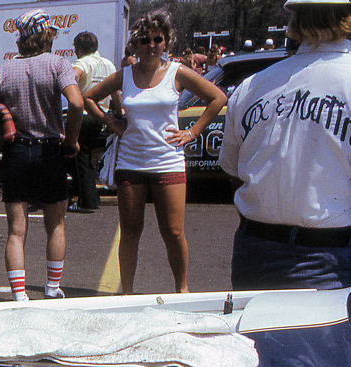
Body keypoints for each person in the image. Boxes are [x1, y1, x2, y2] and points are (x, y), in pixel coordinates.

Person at [84, 9, 226, 295]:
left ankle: (181, 289)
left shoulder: (177, 72)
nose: (151, 45)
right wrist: (111, 121)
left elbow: (218, 97)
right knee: (131, 230)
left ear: (166, 42)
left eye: (157, 39)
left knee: (173, 232)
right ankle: (127, 293)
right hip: (131, 161)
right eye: (144, 40)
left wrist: (192, 132)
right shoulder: (124, 76)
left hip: (168, 160)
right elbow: (87, 97)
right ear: (135, 45)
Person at [219, 0, 351, 290]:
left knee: (255, 335)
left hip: (254, 251)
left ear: (294, 19)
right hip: (330, 254)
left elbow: (232, 169)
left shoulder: (252, 85)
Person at [0, 9, 83, 300]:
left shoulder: (3, 70)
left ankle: (19, 295)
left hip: (16, 153)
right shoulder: (58, 64)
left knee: (16, 230)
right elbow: (77, 104)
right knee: (55, 223)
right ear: (44, 34)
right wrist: (73, 140)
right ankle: (52, 288)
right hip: (50, 151)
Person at [69, 31, 117, 213]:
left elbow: (73, 76)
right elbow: (115, 94)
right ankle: (85, 195)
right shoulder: (108, 65)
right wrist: (117, 113)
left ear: (79, 49)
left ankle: (87, 200)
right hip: (103, 115)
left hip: (85, 115)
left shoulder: (82, 63)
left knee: (77, 155)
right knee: (88, 157)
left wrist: (72, 92)